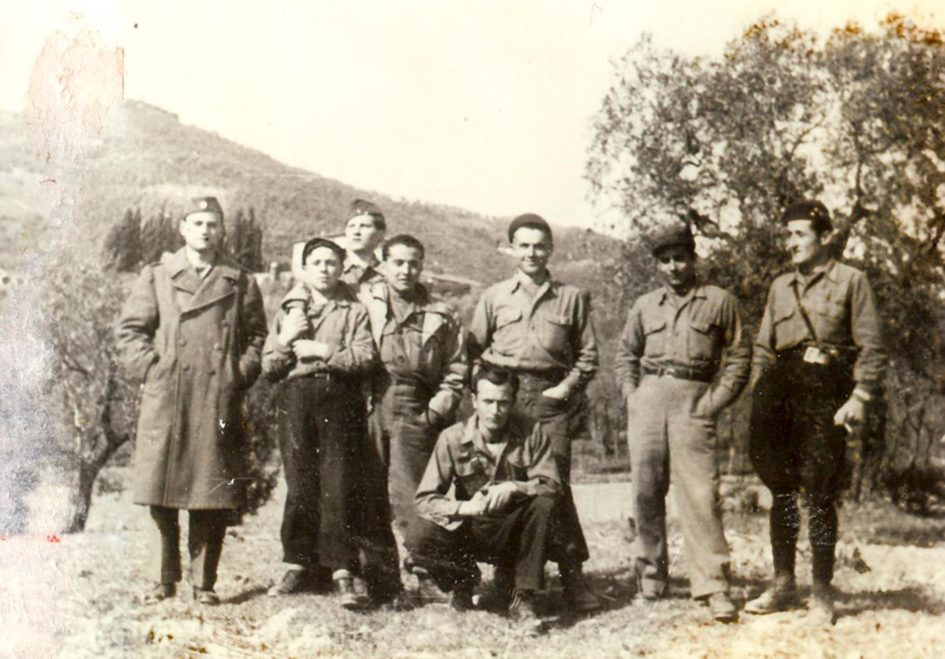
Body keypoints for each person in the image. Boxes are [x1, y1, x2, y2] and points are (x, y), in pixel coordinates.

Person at [116, 196, 267, 605]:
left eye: (212, 224)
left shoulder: (240, 280)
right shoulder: (159, 275)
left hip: (218, 398)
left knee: (210, 494)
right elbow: (131, 331)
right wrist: (154, 368)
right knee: (160, 494)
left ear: (221, 231)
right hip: (170, 396)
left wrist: (239, 374)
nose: (205, 230)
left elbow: (257, 337)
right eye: (197, 222)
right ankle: (162, 580)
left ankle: (204, 584)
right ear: (182, 228)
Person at [745, 201, 885, 622]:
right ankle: (783, 583)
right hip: (780, 392)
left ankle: (822, 590)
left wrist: (859, 398)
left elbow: (872, 347)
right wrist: (758, 391)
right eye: (787, 235)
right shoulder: (780, 287)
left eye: (800, 234)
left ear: (824, 237)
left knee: (820, 494)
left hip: (826, 391)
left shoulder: (851, 281)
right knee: (781, 492)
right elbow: (762, 347)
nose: (791, 243)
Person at [613, 221, 749, 622]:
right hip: (650, 399)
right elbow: (626, 356)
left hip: (695, 399)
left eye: (680, 258)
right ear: (658, 265)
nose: (674, 267)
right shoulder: (644, 305)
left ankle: (713, 584)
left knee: (701, 494)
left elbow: (740, 357)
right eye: (666, 260)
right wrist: (632, 397)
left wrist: (714, 402)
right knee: (646, 490)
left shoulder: (719, 302)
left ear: (694, 258)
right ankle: (651, 577)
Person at [467, 213, 600, 613]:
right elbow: (473, 352)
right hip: (505, 397)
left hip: (549, 398)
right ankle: (509, 582)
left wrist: (563, 390)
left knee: (553, 485)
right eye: (523, 245)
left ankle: (573, 579)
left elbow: (588, 356)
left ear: (550, 249)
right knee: (508, 483)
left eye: (539, 245)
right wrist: (489, 393)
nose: (532, 253)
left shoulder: (571, 297)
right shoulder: (494, 297)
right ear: (511, 248)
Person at [261, 237, 382, 609]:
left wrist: (324, 351)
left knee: (338, 482)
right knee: (300, 482)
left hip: (339, 398)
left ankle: (342, 570)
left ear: (342, 267)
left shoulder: (355, 310)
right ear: (305, 268)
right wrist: (285, 338)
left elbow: (365, 357)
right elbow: (269, 366)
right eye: (317, 262)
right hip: (296, 399)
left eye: (332, 262)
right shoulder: (290, 309)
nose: (325, 269)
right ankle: (298, 563)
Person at [408, 365, 562, 630]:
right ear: (474, 400)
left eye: (503, 403)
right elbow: (425, 499)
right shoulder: (452, 438)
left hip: (515, 530)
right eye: (488, 402)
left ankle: (522, 597)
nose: (495, 411)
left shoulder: (531, 432)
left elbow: (552, 485)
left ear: (513, 402)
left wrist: (515, 486)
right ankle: (463, 581)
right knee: (418, 531)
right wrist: (464, 507)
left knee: (544, 504)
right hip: (473, 528)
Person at [359, 234, 466, 559]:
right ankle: (377, 573)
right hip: (371, 400)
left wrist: (436, 409)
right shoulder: (364, 303)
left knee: (415, 491)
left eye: (413, 263)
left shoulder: (441, 314)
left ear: (421, 266)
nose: (405, 270)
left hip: (416, 406)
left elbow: (458, 368)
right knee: (367, 487)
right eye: (398, 263)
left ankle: (423, 565)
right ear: (383, 265)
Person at [340, 198, 387, 288]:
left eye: (364, 226)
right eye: (351, 226)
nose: (356, 232)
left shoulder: (387, 274)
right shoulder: (330, 268)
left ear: (381, 234)